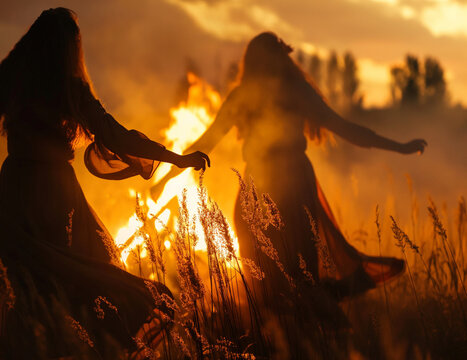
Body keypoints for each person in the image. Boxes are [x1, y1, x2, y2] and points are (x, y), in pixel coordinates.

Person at [0, 8, 209, 358]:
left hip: (24, 193)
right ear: (70, 48)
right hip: (49, 196)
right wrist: (178, 159)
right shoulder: (64, 88)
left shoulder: (22, 82)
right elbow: (117, 136)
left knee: (38, 288)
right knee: (64, 284)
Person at [152, 32, 426, 329]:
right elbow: (206, 142)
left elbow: (345, 128)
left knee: (300, 275)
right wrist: (166, 177)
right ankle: (294, 342)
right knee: (263, 276)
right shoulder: (244, 96)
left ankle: (335, 335)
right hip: (256, 188)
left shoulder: (296, 93)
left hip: (292, 186)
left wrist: (399, 146)